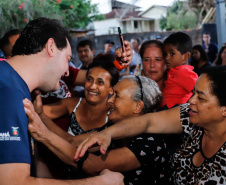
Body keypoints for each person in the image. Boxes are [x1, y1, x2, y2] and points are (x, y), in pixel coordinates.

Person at [0, 17, 132, 185]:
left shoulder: (14, 85)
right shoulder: (8, 93)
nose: (67, 72)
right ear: (51, 48)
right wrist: (100, 182)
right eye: (68, 59)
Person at [75, 65, 226, 185]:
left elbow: (91, 164)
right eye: (193, 93)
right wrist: (108, 134)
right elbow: (148, 121)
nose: (191, 100)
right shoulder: (189, 114)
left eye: (201, 98)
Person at [24, 75, 171, 185]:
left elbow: (93, 165)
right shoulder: (113, 129)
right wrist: (41, 115)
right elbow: (72, 141)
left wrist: (44, 134)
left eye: (117, 96)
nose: (110, 100)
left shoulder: (150, 141)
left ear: (138, 107)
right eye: (112, 94)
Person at [161, 32, 198, 109]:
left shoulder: (183, 72)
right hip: (168, 110)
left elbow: (200, 89)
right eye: (165, 54)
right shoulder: (171, 70)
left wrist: (189, 106)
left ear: (186, 56)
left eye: (172, 53)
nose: (167, 58)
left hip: (178, 110)